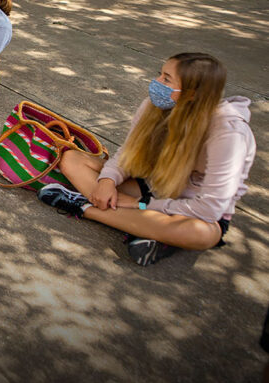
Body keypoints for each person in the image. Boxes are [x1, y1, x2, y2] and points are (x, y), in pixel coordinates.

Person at [37, 52, 256, 266]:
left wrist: (139, 204)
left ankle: (86, 208)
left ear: (192, 93)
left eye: (167, 79)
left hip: (190, 211)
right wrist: (107, 181)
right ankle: (144, 229)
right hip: (150, 187)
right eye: (160, 74)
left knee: (201, 234)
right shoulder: (156, 106)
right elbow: (127, 153)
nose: (157, 82)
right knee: (73, 160)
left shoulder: (229, 134)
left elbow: (209, 209)